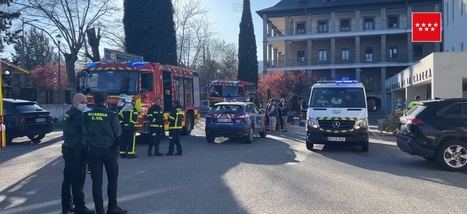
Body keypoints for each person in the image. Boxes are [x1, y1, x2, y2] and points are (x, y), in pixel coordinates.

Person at [84, 91, 127, 214]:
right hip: (110, 151)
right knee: (112, 180)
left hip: (93, 152)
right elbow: (118, 132)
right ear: (106, 100)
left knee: (96, 183)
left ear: (94, 100)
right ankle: (112, 208)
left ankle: (99, 211)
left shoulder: (87, 115)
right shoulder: (111, 115)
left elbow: (84, 132)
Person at [61, 93, 94, 214]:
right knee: (78, 180)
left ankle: (66, 206)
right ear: (78, 102)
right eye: (84, 102)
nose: (86, 104)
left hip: (67, 149)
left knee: (67, 180)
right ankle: (80, 207)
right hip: (77, 151)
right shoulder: (79, 115)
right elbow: (85, 132)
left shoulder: (68, 113)